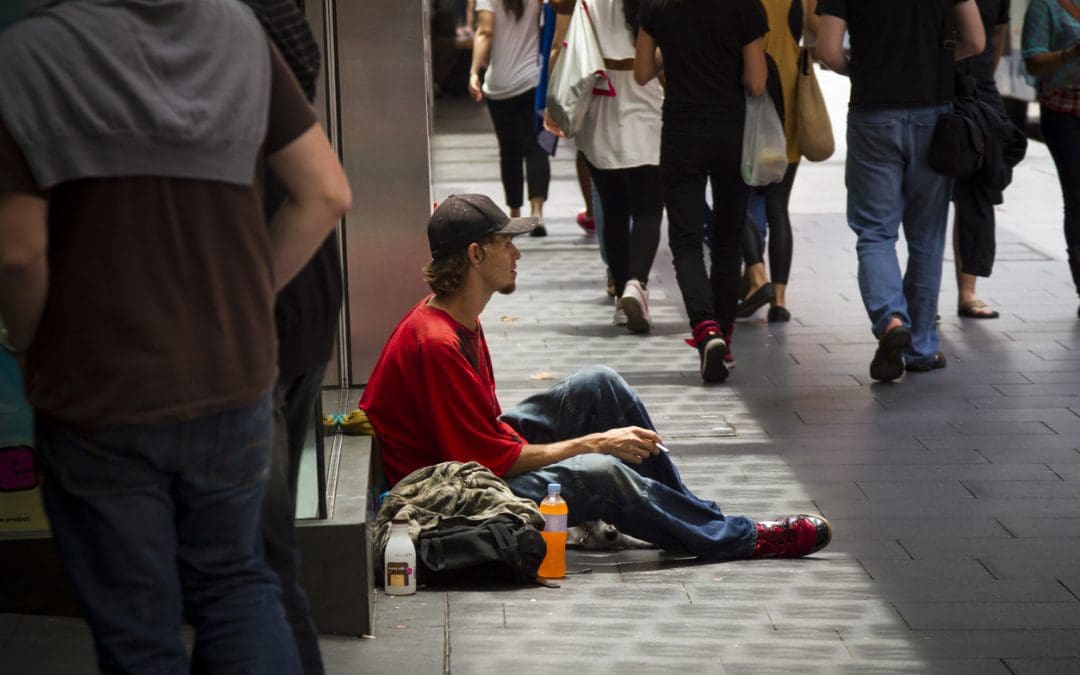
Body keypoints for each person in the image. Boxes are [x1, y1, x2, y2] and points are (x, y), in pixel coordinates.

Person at [0, 0, 351, 672]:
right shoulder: (236, 35)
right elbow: (326, 193)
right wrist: (249, 298)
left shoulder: (27, 56)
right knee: (238, 584)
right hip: (232, 382)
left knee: (139, 632)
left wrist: (34, 341)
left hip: (99, 397)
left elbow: (17, 253)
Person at [358, 193, 832, 562]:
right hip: (445, 493)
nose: (517, 254)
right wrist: (595, 443)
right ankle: (739, 538)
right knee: (603, 472)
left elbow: (485, 434)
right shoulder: (436, 343)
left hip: (469, 456)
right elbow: (485, 463)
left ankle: (695, 520)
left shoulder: (459, 318)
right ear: (476, 255)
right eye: (507, 244)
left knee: (598, 382)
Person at [815, 0, 985, 380]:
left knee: (875, 231)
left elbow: (826, 50)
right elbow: (975, 40)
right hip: (934, 115)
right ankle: (922, 347)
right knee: (927, 236)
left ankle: (891, 320)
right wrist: (934, 65)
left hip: (873, 114)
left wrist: (862, 68)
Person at [243, 1, 339, 673]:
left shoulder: (242, 111)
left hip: (263, 326)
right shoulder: (294, 121)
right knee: (267, 557)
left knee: (255, 564)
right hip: (305, 313)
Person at [634, 0, 768, 382]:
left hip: (681, 133)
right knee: (727, 239)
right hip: (732, 133)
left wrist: (673, 57)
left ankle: (704, 327)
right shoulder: (747, 8)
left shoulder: (657, 6)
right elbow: (756, 82)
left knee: (687, 241)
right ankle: (722, 337)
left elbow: (642, 71)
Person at [549, 0, 664, 333]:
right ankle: (636, 284)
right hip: (646, 94)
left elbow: (560, 20)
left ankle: (620, 303)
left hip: (599, 97)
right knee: (648, 208)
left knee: (613, 208)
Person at [737, 0, 821, 323]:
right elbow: (819, 28)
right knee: (778, 207)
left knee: (737, 200)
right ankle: (780, 300)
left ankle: (757, 273)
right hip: (787, 100)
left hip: (751, 95)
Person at [952, 0, 1013, 320]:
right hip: (937, 90)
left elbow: (996, 37)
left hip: (980, 93)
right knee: (927, 196)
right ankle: (920, 290)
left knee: (977, 193)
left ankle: (968, 291)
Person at [470, 0, 550, 233]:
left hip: (499, 85)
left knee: (509, 149)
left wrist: (474, 71)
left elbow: (485, 31)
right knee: (535, 146)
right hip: (531, 80)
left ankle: (514, 214)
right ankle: (537, 213)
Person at [1022, 0, 1080, 318]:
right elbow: (1032, 61)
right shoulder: (1045, 5)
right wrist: (1071, 53)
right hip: (1065, 111)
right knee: (1078, 198)